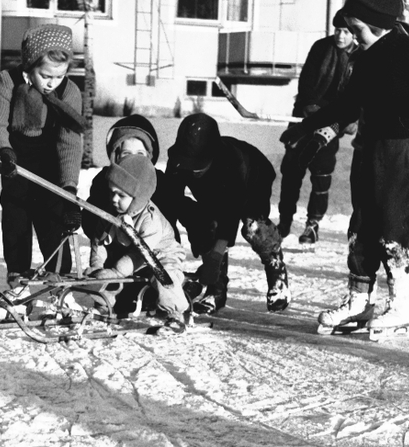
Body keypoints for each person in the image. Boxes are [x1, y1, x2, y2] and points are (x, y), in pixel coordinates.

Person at [283, 0, 409, 333]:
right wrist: (306, 127)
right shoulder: (362, 60)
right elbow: (345, 106)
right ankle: (360, 301)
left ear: (377, 24)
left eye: (357, 28)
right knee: (362, 225)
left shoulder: (407, 50)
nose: (352, 36)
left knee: (396, 222)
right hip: (371, 147)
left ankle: (402, 304)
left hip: (404, 147)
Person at [157, 112, 288, 313]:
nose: (192, 171)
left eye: (198, 164)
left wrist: (216, 256)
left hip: (254, 179)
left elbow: (231, 212)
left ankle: (275, 269)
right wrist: (168, 251)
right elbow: (170, 204)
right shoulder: (178, 161)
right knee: (206, 223)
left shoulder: (233, 162)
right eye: (188, 164)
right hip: (213, 192)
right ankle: (216, 291)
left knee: (254, 227)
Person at [0, 25, 84, 288]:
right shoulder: (8, 81)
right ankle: (18, 277)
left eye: (60, 76)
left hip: (51, 165)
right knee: (16, 217)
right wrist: (4, 151)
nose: (53, 83)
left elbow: (70, 142)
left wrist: (69, 188)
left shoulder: (68, 92)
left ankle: (58, 279)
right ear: (29, 66)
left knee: (53, 220)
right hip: (16, 164)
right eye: (46, 76)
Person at [278, 13, 356, 245]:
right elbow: (307, 81)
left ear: (354, 33)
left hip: (333, 121)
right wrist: (310, 106)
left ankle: (312, 224)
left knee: (321, 173)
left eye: (346, 31)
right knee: (292, 169)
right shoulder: (321, 47)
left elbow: (355, 94)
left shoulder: (359, 58)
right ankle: (283, 222)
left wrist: (351, 117)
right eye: (337, 30)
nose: (340, 36)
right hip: (306, 115)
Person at [91, 155, 190, 332]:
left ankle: (175, 314)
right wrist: (97, 266)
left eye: (121, 195)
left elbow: (142, 254)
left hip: (160, 255)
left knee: (164, 276)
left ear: (137, 197)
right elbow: (99, 240)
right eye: (112, 192)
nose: (114, 199)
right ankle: (103, 305)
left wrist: (117, 271)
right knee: (109, 272)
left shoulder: (150, 220)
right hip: (131, 254)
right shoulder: (111, 212)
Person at [83, 114, 165, 269]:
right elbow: (91, 216)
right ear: (115, 155)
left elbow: (179, 206)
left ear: (150, 155)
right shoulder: (104, 180)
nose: (133, 159)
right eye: (127, 154)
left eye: (140, 154)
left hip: (153, 254)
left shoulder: (159, 181)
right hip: (116, 254)